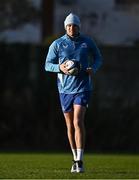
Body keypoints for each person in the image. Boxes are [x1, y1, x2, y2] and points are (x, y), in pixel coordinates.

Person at [45, 13, 103, 173]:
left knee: (78, 121)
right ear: (65, 27)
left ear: (79, 26)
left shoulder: (87, 42)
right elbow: (47, 65)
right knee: (69, 125)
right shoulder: (57, 44)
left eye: (74, 25)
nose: (72, 28)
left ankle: (80, 160)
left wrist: (93, 69)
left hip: (83, 87)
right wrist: (59, 68)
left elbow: (98, 58)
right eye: (69, 25)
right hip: (64, 90)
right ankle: (75, 160)